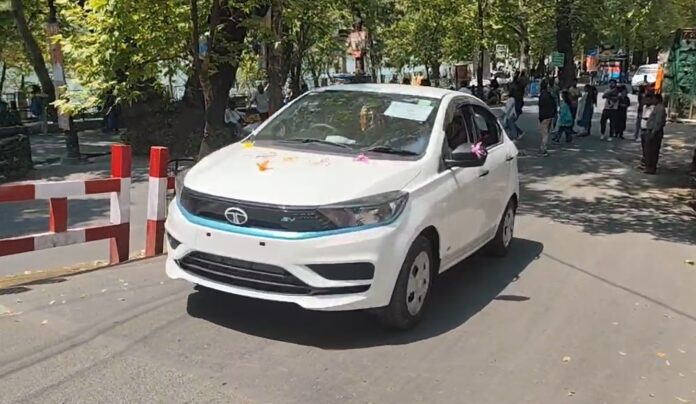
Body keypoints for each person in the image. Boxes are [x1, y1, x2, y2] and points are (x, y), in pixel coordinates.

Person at [640, 93, 667, 174]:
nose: (652, 100)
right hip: (651, 130)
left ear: (657, 99)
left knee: (652, 151)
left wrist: (653, 132)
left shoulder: (660, 108)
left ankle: (651, 167)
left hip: (654, 132)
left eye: (654, 99)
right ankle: (648, 166)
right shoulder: (657, 107)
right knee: (649, 150)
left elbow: (658, 122)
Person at [537, 80, 556, 156]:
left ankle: (543, 149)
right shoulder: (548, 94)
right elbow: (553, 104)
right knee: (545, 132)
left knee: (544, 133)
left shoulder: (542, 95)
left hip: (544, 116)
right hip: (548, 115)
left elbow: (541, 106)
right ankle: (543, 148)